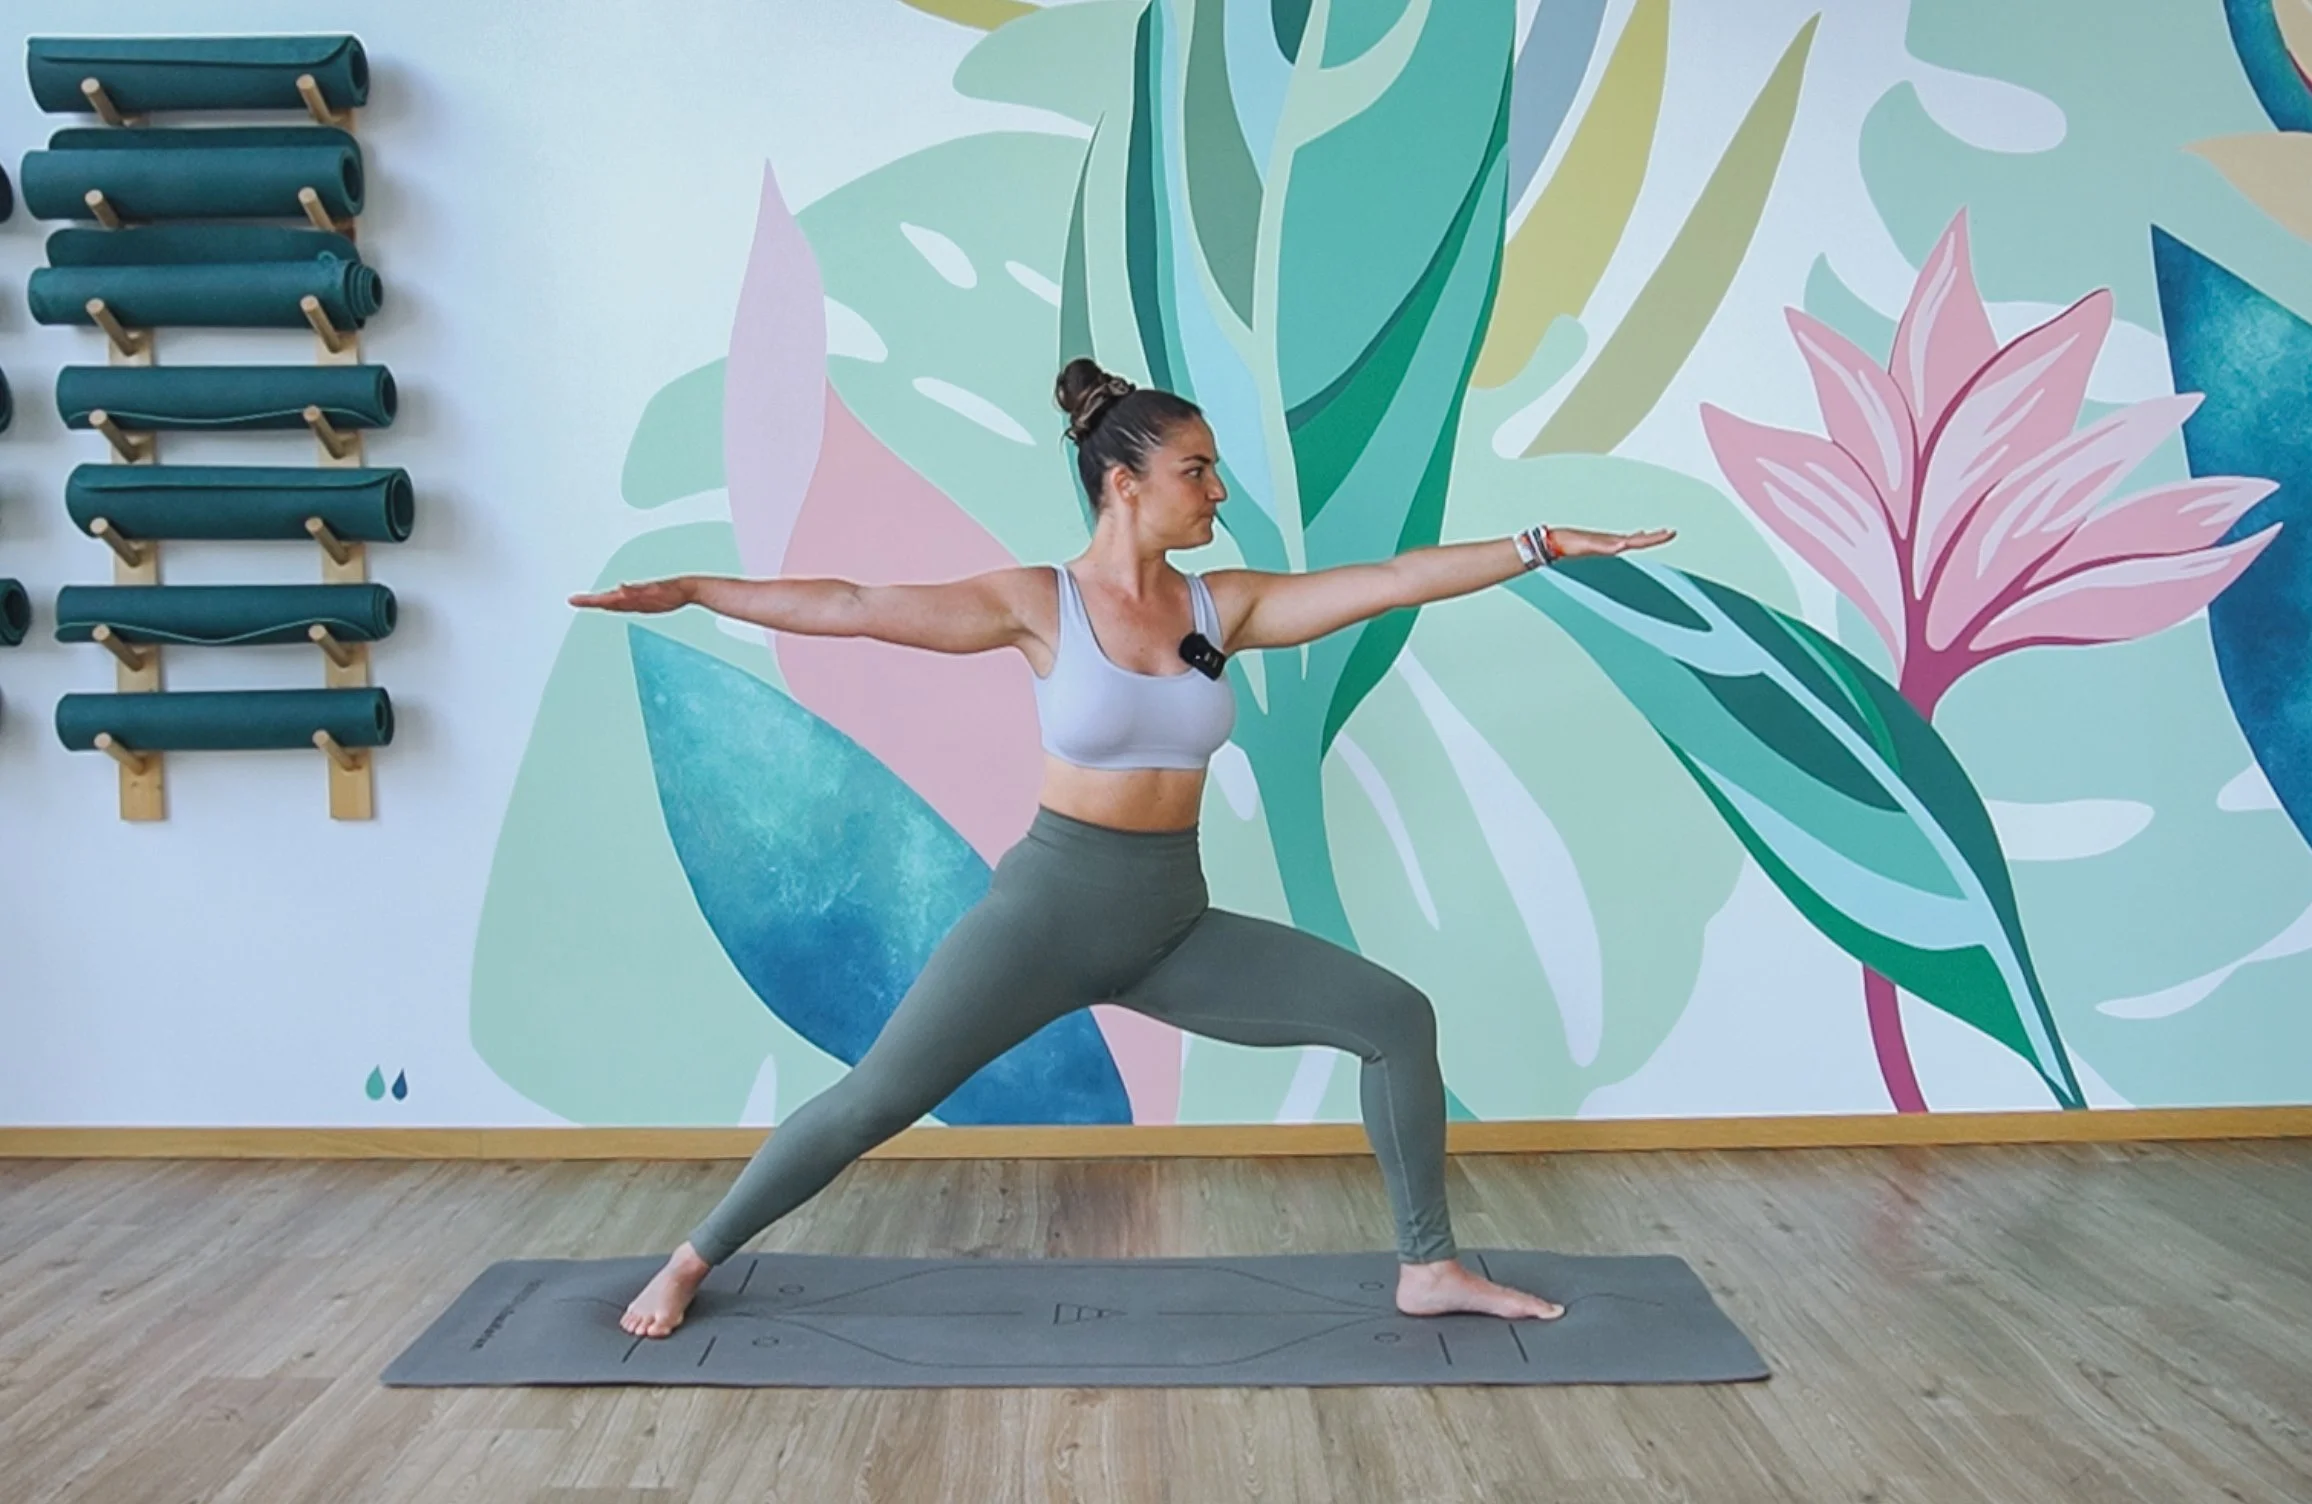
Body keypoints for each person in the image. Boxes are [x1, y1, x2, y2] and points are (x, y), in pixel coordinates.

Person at [570, 358, 1674, 1338]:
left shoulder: (1219, 605)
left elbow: (1387, 583)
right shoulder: (1036, 603)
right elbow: (858, 601)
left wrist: (1537, 545)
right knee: (873, 1100)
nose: (1217, 491)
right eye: (1197, 470)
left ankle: (1426, 1266)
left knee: (1393, 1018)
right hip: (1043, 916)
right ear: (1124, 483)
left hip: (1169, 925)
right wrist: (699, 589)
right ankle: (689, 1257)